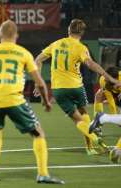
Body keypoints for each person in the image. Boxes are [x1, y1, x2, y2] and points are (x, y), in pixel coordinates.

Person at [0, 20, 64, 184]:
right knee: (38, 133)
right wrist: (46, 101)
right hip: (14, 100)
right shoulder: (23, 53)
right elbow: (40, 83)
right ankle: (43, 174)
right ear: (16, 35)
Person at [34, 19, 120, 155]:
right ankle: (89, 147)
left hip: (58, 89)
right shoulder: (80, 47)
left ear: (69, 30)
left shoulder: (56, 44)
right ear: (82, 33)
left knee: (77, 120)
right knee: (84, 113)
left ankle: (95, 141)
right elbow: (90, 64)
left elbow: (37, 60)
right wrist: (108, 77)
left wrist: (37, 83)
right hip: (76, 87)